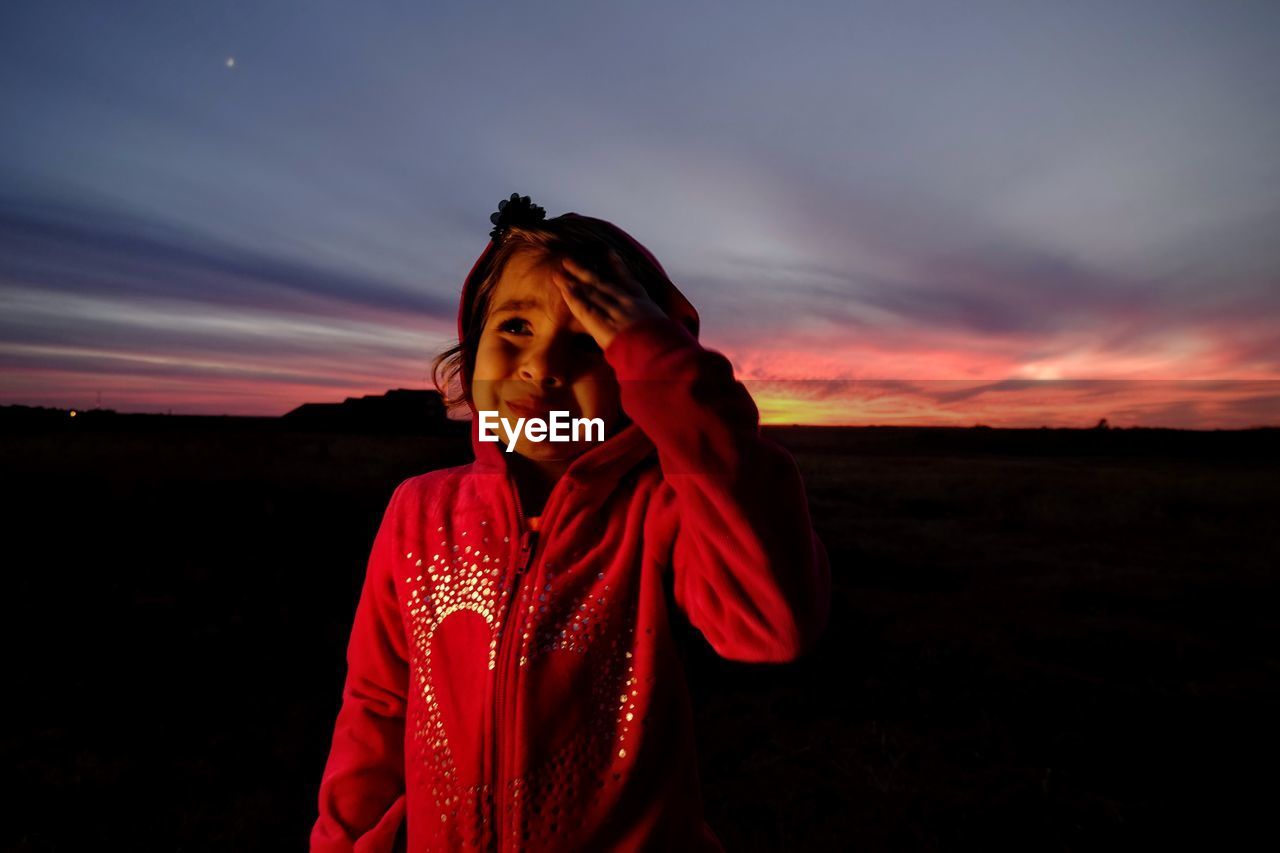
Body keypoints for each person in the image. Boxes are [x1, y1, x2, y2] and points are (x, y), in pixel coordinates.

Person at [310, 194, 832, 851]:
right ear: (471, 350)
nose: (542, 366)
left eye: (589, 343)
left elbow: (772, 623)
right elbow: (377, 704)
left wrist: (668, 370)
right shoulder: (417, 510)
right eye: (515, 328)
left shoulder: (659, 513)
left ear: (641, 377)